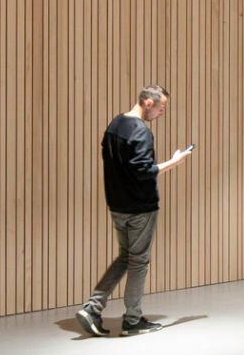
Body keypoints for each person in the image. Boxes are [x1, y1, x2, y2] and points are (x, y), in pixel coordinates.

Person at [77, 86, 191, 337]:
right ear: (148, 103)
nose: (162, 112)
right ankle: (132, 320)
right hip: (140, 207)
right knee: (138, 262)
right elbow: (143, 172)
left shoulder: (115, 125)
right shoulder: (141, 132)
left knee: (126, 257)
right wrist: (175, 162)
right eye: (161, 107)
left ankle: (93, 306)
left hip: (117, 204)